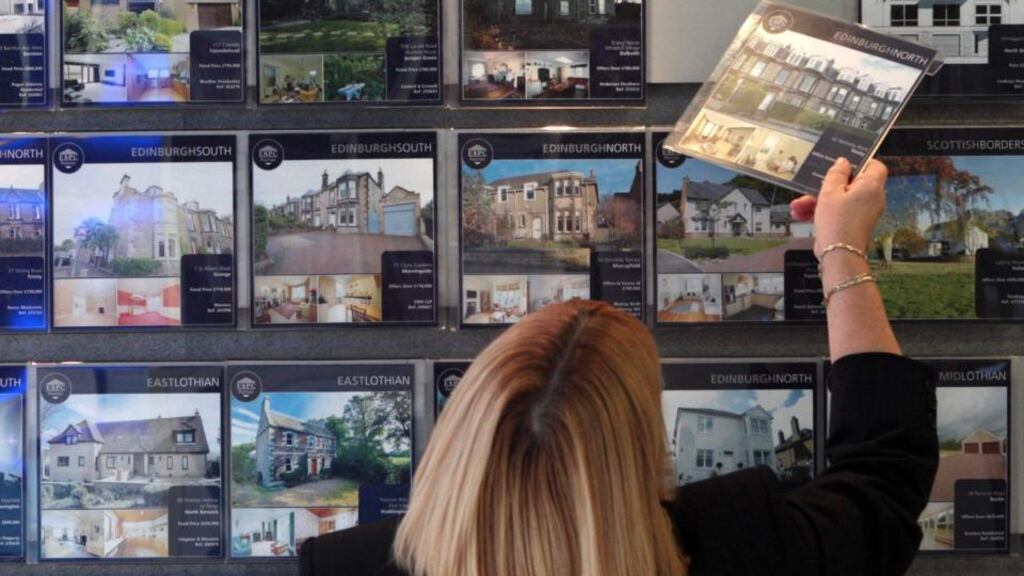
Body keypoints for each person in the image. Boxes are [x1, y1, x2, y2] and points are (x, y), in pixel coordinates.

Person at [300, 157, 938, 576]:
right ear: (640, 440)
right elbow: (883, 471)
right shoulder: (741, 543)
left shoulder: (345, 566)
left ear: (461, 435)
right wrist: (839, 246)